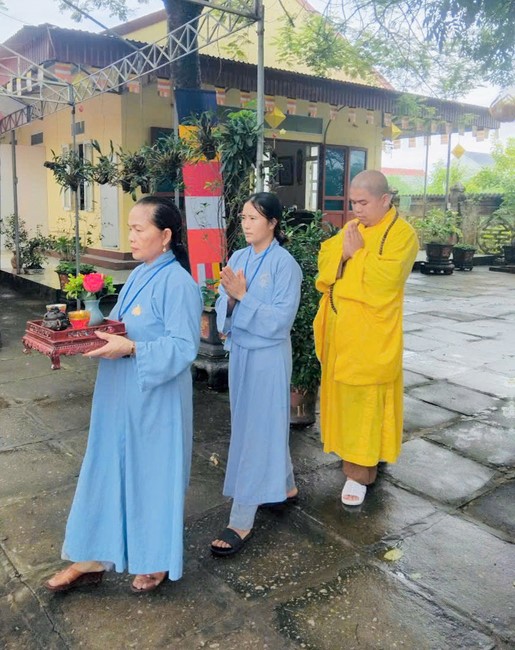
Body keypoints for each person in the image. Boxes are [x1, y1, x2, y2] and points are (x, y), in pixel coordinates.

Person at [44, 196, 202, 593]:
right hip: (118, 393)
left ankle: (155, 558)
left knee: (152, 475)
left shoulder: (178, 283)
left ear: (165, 236)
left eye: (138, 229)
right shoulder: (139, 274)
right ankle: (93, 555)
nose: (130, 236)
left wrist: (132, 349)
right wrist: (75, 334)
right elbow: (117, 327)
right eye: (129, 228)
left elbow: (184, 347)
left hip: (156, 400)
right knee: (105, 468)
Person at [314, 170, 418, 507]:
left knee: (366, 403)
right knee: (347, 401)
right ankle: (362, 455)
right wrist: (344, 255)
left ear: (385, 199)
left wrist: (357, 255)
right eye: (352, 203)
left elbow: (386, 281)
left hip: (372, 337)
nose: (356, 210)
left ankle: (358, 474)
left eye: (363, 202)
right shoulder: (354, 228)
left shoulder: (402, 235)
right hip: (343, 333)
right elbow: (327, 256)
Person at [210, 192, 302, 556]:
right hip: (242, 352)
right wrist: (232, 300)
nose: (246, 225)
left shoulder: (285, 265)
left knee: (254, 432)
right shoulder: (238, 257)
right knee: (255, 423)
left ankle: (241, 519)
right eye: (243, 218)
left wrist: (244, 297)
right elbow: (223, 303)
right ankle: (286, 486)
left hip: (268, 357)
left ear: (272, 223)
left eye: (253, 218)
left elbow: (280, 321)